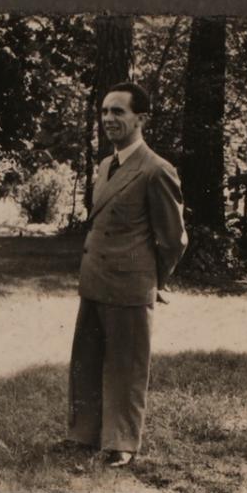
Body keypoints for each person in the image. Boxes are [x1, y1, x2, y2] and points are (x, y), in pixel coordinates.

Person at [66, 82, 187, 467]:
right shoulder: (106, 166)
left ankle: (122, 444)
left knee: (126, 366)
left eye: (118, 111)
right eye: (104, 111)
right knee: (86, 360)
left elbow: (173, 238)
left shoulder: (156, 170)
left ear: (141, 118)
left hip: (131, 284)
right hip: (96, 279)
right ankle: (84, 435)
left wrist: (154, 279)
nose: (109, 119)